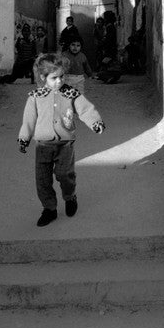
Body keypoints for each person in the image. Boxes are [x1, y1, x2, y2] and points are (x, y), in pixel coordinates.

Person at [18, 53, 106, 227]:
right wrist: (24, 138)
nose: (59, 81)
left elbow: (85, 109)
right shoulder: (35, 96)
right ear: (43, 77)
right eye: (54, 78)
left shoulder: (70, 93)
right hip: (43, 144)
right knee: (42, 180)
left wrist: (95, 122)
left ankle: (70, 196)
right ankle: (49, 209)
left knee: (65, 174)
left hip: (65, 144)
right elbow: (28, 120)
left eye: (62, 76)